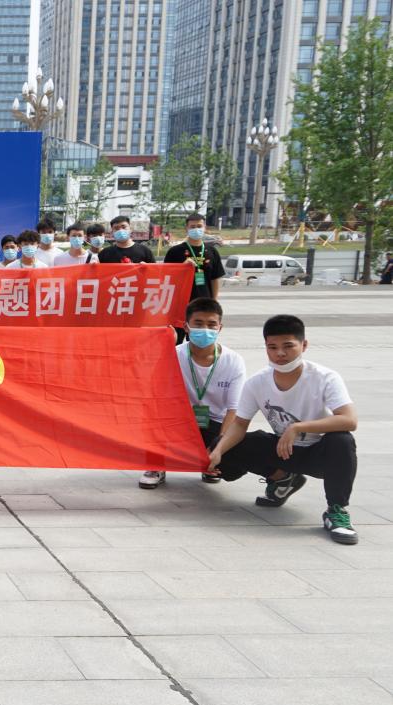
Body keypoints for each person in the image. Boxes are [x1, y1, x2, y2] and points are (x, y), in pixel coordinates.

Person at [206, 315, 359, 544]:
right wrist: (218, 451)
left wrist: (298, 427)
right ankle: (283, 479)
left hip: (318, 453)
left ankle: (336, 510)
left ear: (303, 345)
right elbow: (239, 424)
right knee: (223, 445)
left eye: (288, 346)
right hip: (284, 451)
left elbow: (349, 420)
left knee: (342, 440)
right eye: (272, 347)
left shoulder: (325, 377)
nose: (280, 353)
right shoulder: (257, 382)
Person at [139, 298, 246, 489]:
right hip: (178, 422)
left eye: (211, 324)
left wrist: (219, 445)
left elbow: (233, 410)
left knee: (234, 462)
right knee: (151, 414)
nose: (205, 329)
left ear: (220, 328)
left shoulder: (234, 361)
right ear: (186, 327)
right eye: (198, 323)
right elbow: (154, 396)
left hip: (214, 424)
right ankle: (156, 465)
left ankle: (209, 463)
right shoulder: (172, 355)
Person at [164, 213, 225, 303]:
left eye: (199, 226)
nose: (196, 229)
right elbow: (166, 278)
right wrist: (182, 268)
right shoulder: (174, 251)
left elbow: (214, 279)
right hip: (181, 302)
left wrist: (214, 301)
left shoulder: (212, 251)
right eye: (192, 227)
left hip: (205, 302)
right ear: (186, 229)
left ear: (205, 228)